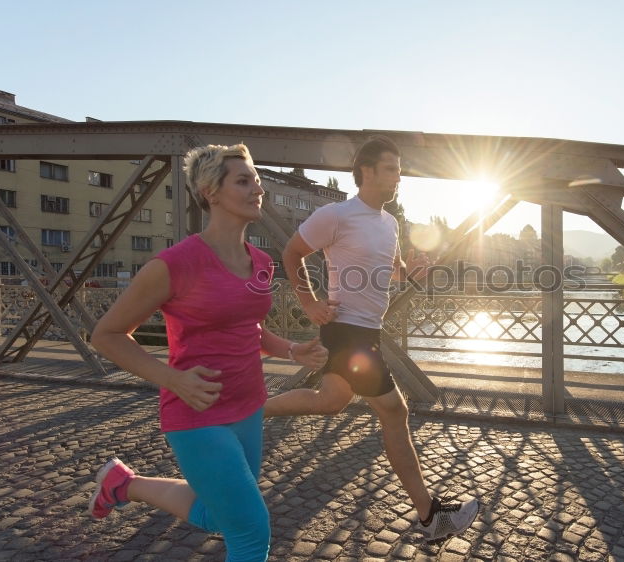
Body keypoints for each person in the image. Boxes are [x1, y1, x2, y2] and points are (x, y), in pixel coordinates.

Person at [87, 143, 328, 561]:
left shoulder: (260, 262)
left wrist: (292, 350)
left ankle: (124, 484)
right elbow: (106, 334)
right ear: (210, 192)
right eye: (243, 180)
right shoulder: (176, 264)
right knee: (251, 532)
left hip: (248, 406)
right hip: (196, 414)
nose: (257, 189)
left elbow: (247, 326)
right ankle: (123, 483)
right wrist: (172, 378)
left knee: (220, 516)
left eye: (256, 179)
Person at [265, 135, 480, 541]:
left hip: (368, 330)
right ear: (366, 171)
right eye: (391, 168)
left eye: (399, 170)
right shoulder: (336, 214)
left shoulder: (390, 222)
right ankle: (431, 516)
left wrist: (411, 271)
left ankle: (248, 410)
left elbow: (393, 269)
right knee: (395, 412)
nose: (399, 177)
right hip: (346, 330)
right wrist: (309, 303)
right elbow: (292, 253)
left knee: (331, 401)